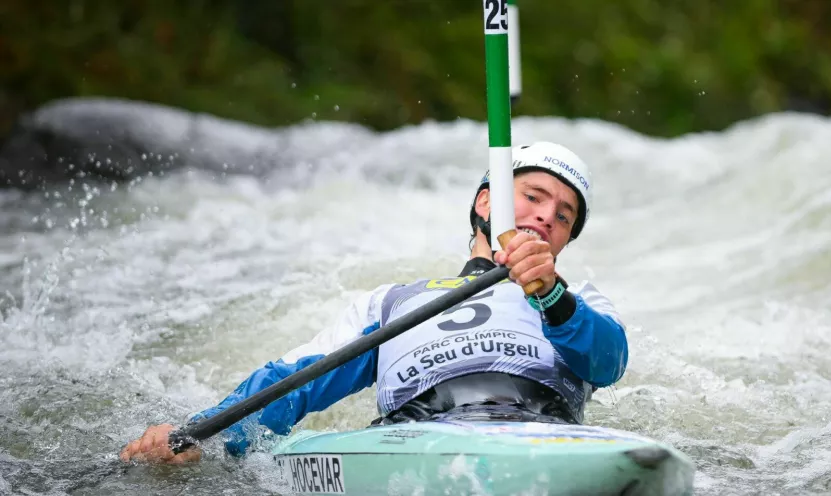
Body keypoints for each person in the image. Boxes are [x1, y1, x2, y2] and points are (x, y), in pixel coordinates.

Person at [120, 141, 629, 464]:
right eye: (534, 196)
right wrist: (196, 440)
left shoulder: (578, 299)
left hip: (541, 429)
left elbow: (607, 363)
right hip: (414, 435)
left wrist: (552, 297)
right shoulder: (392, 303)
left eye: (564, 216)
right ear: (486, 202)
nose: (546, 216)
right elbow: (294, 383)